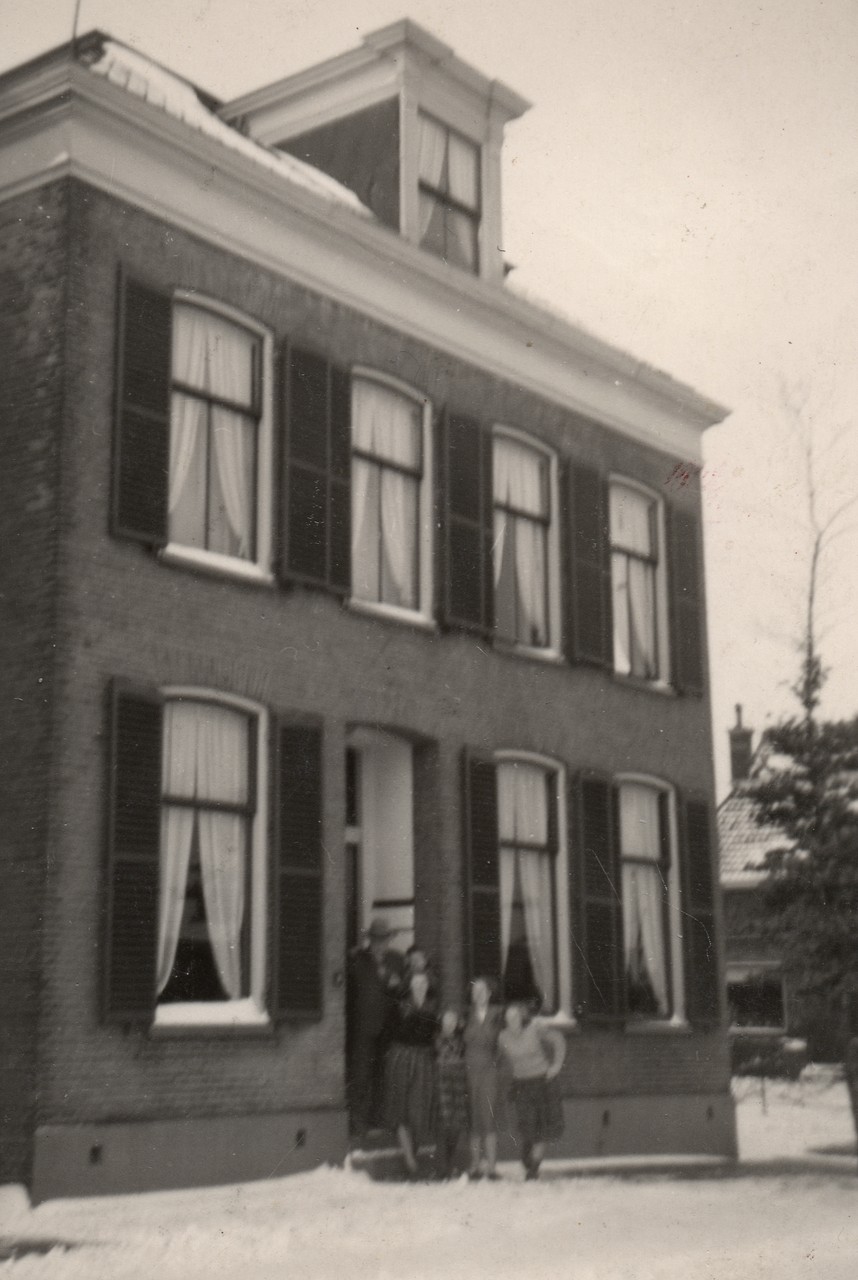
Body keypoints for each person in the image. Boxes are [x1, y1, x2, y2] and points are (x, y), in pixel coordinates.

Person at [346, 917, 404, 1141]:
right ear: (370, 940)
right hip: (363, 1029)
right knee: (361, 1075)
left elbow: (404, 992)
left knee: (383, 1075)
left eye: (385, 940)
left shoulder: (397, 960)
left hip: (388, 1030)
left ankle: (377, 1119)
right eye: (377, 940)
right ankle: (358, 1124)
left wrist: (397, 986)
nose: (381, 944)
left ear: (389, 940)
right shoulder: (357, 960)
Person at [498, 1001, 566, 1180]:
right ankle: (528, 1155)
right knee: (527, 1126)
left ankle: (534, 1169)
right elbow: (501, 1060)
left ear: (522, 1017)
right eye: (508, 1018)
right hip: (521, 1085)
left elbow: (558, 1040)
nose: (512, 1021)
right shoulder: (503, 1037)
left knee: (542, 1128)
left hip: (542, 1083)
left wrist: (556, 1065)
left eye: (515, 1017)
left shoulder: (535, 1029)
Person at [383, 968, 439, 1179]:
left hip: (424, 1061)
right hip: (402, 1059)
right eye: (416, 983)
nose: (420, 987)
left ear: (428, 985)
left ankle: (411, 1153)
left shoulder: (434, 1007)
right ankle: (410, 1160)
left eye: (423, 983)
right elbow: (390, 1033)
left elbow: (436, 1035)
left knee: (419, 1109)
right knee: (401, 1109)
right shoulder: (399, 1006)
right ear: (409, 986)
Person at [463, 976, 504, 1180]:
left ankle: (492, 1167)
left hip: (489, 1070)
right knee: (473, 1118)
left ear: (489, 994)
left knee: (488, 1116)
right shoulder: (466, 1015)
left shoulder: (498, 1015)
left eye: (482, 991)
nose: (479, 994)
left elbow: (504, 1042)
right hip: (469, 1071)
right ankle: (475, 1166)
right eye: (475, 991)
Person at [435, 1009, 470, 1179]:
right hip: (443, 1080)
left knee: (457, 1121)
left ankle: (450, 1163)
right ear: (442, 1022)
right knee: (445, 1121)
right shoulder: (437, 1038)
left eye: (453, 1021)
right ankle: (442, 1166)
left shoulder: (462, 1039)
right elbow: (443, 1054)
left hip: (459, 1081)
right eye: (447, 1021)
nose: (450, 1024)